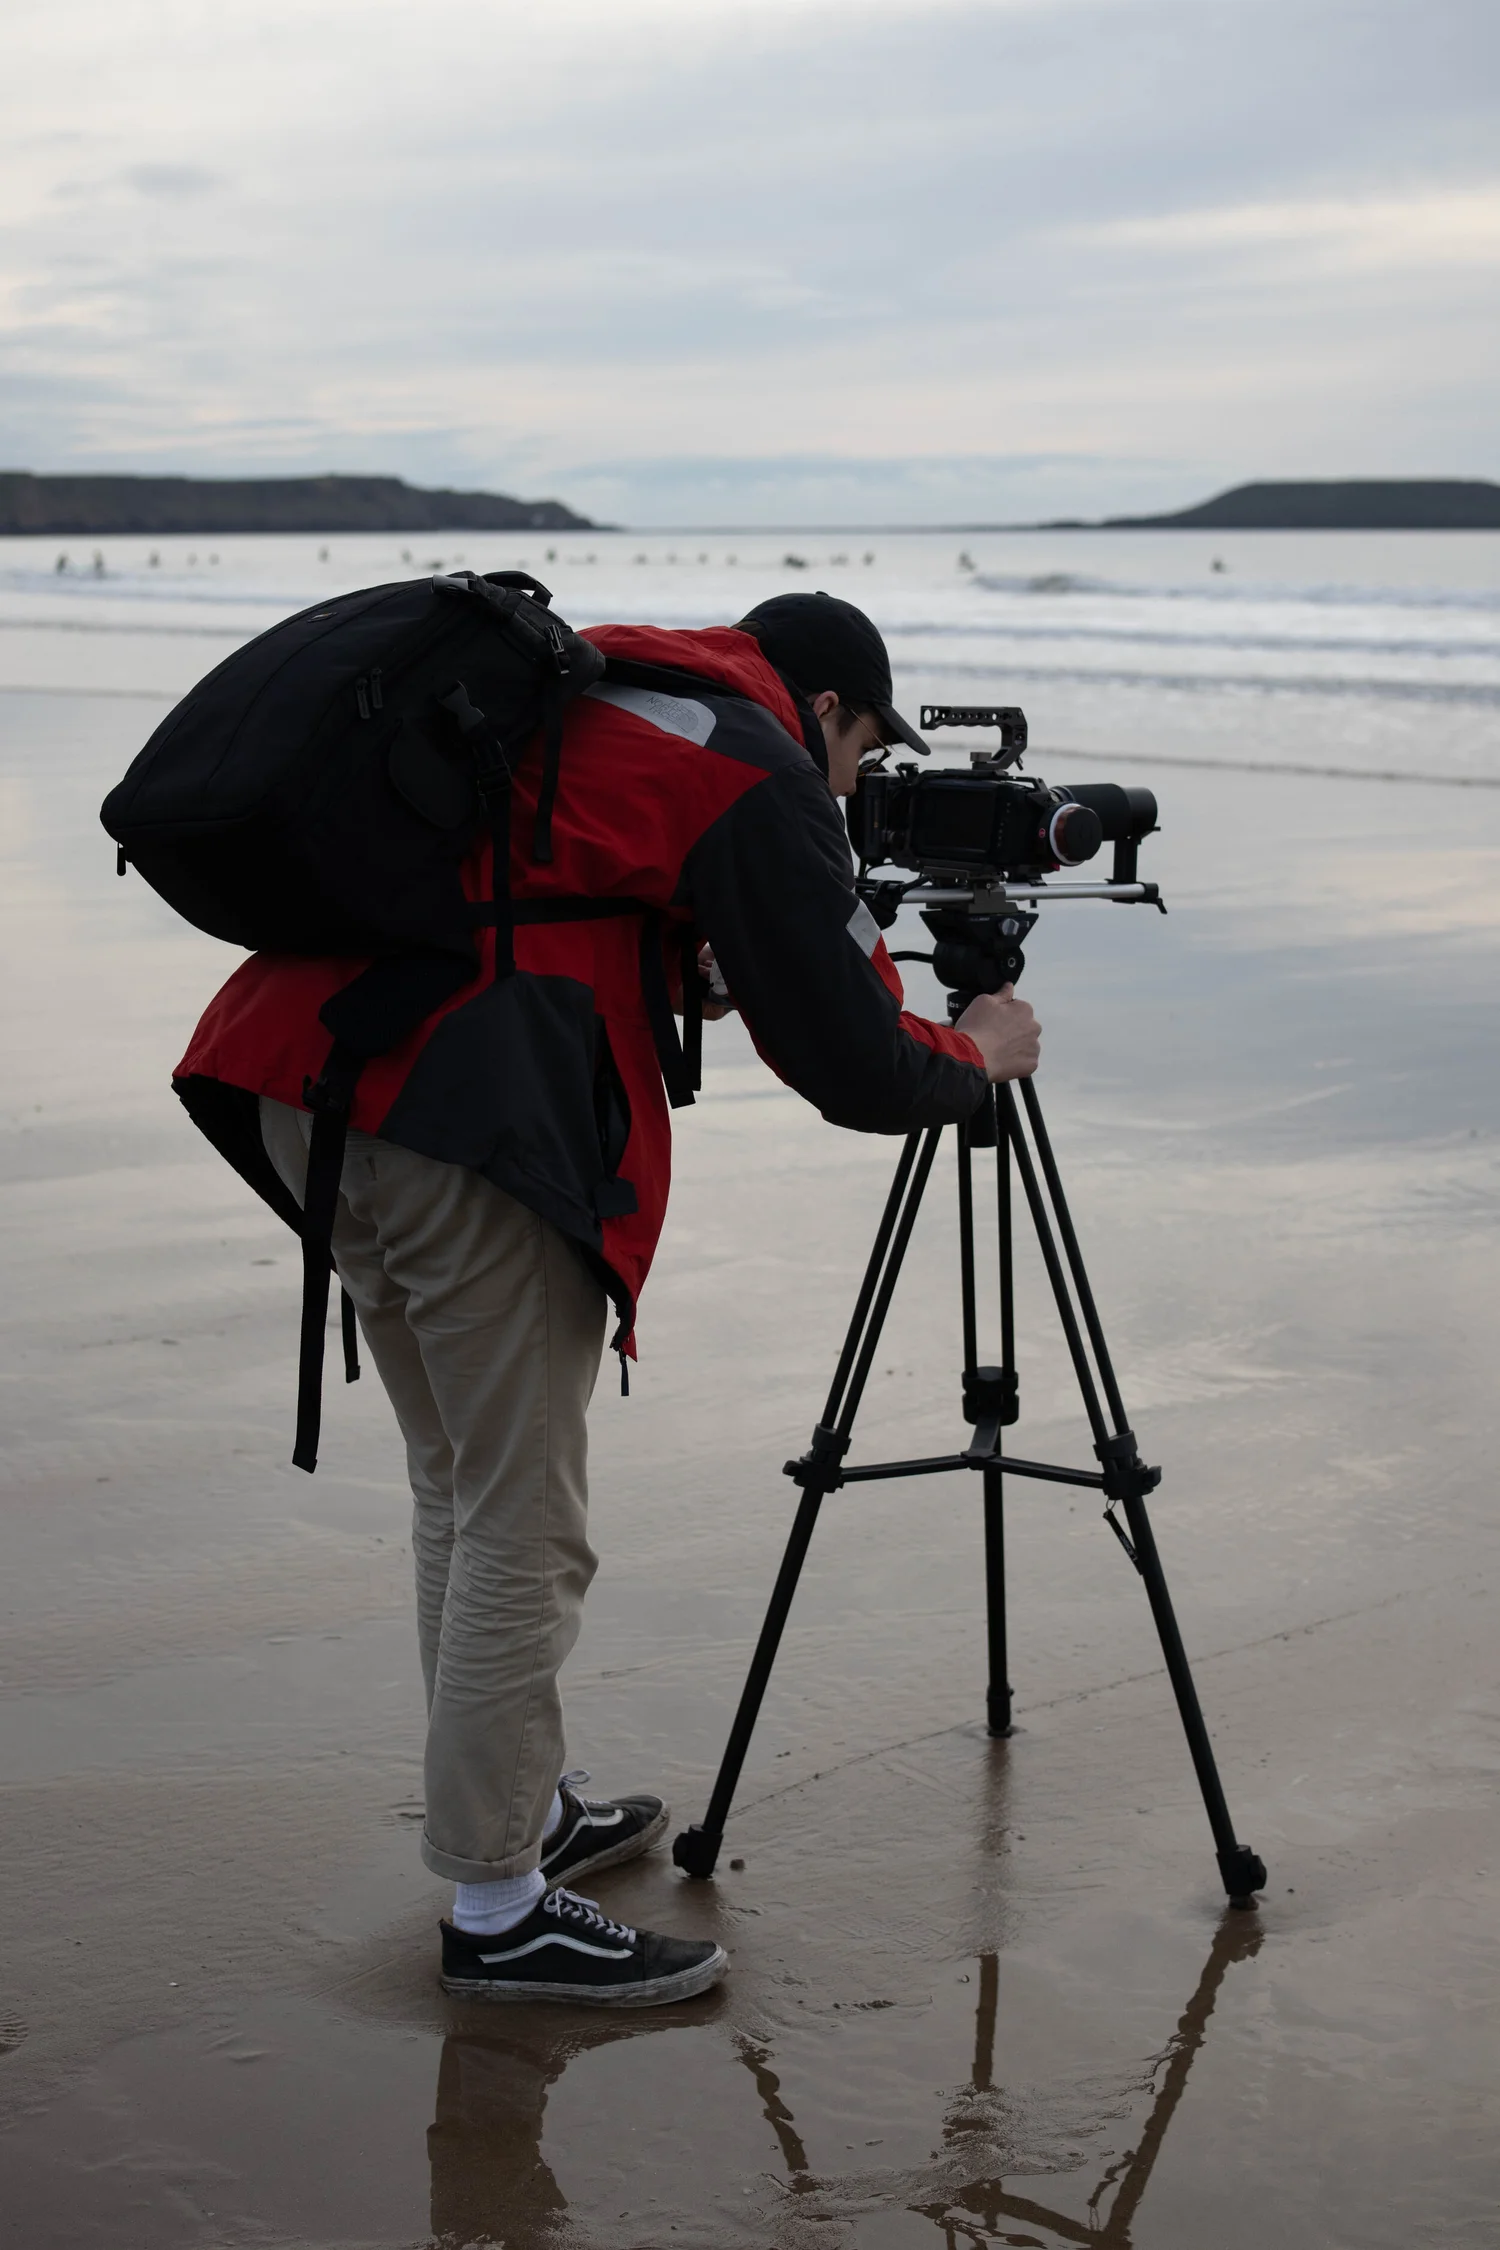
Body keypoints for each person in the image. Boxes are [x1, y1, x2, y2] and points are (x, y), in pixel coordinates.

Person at [173, 589, 1040, 2007]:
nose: (859, 787)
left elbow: (543, 890)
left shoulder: (617, 692)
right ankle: (501, 1906)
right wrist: (978, 1053)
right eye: (866, 753)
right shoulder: (752, 759)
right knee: (525, 1518)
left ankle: (525, 1812)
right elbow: (855, 1061)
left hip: (317, 1078)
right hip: (459, 1114)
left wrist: (676, 957)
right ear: (824, 708)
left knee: (461, 1478)